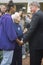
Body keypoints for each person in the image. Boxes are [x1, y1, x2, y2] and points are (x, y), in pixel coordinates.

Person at [0, 1, 23, 65]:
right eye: (15, 8)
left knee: (5, 60)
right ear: (11, 8)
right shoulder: (8, 18)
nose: (15, 10)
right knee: (6, 62)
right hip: (8, 44)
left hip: (4, 42)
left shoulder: (3, 17)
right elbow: (11, 34)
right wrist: (19, 42)